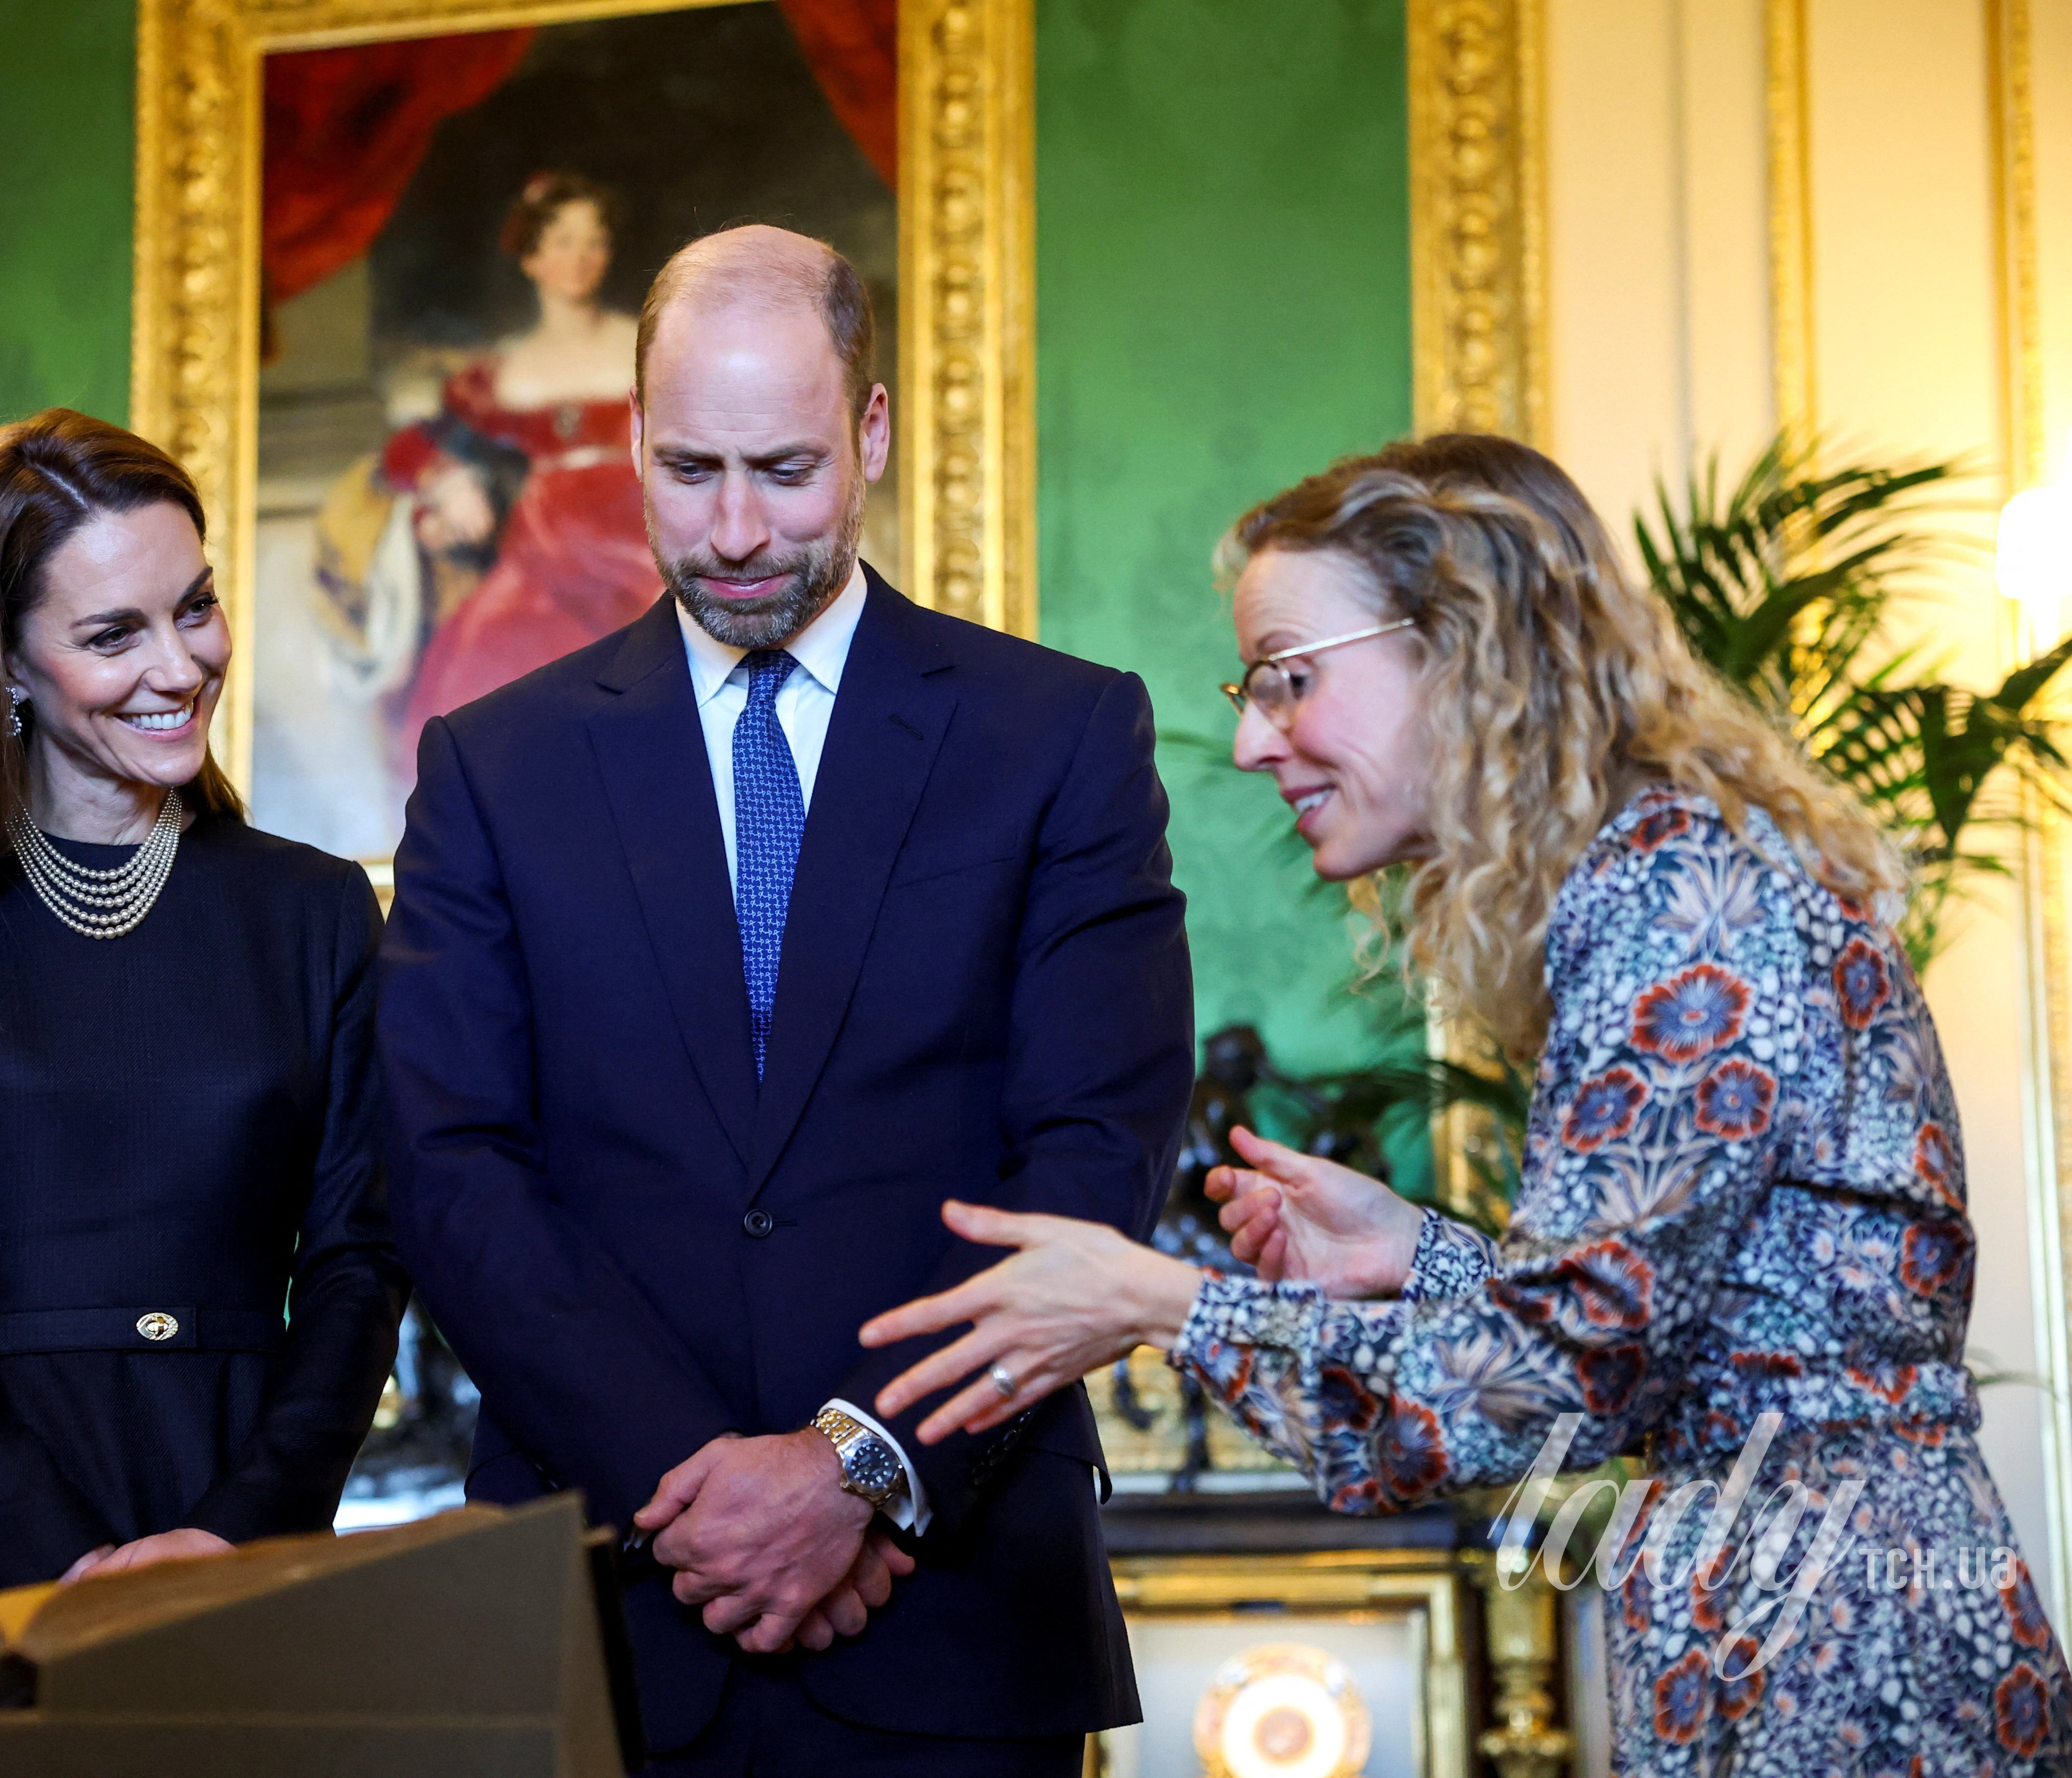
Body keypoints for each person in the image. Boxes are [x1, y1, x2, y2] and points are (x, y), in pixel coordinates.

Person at [858, 434, 2072, 1774]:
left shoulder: (1679, 903)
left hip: (1836, 1655)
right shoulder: (1664, 876)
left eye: (1288, 679)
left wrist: (1166, 1303)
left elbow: (1562, 1381)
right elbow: (1681, 1348)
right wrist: (1414, 1251)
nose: (1253, 740)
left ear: (1461, 647)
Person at [378, 225, 1195, 1775]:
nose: (738, 529)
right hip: (606, 1604)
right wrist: (696, 1485)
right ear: (633, 437)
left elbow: (1093, 1150)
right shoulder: (493, 765)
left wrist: (857, 1465)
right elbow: (448, 1164)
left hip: (955, 1609)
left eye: (786, 469)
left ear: (871, 431)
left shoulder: (1060, 736)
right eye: (690, 471)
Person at [0, 409, 406, 1589]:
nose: (181, 666)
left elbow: (358, 1263)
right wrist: (55, 1551)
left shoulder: (315, 910)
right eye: (115, 634)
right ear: (2, 660)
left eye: (195, 607)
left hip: (238, 1536)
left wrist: (236, 1531)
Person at [390, 171, 661, 740]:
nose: (581, 258)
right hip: (544, 542)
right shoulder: (504, 370)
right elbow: (412, 452)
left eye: (595, 242)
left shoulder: (648, 346)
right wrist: (451, 485)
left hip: (644, 538)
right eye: (563, 242)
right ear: (531, 258)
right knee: (485, 653)